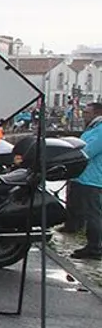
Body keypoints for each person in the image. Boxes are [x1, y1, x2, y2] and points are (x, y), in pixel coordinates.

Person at [72, 101, 102, 259]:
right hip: (85, 176)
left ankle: (95, 248)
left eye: (87, 113)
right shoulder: (94, 129)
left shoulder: (100, 130)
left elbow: (88, 150)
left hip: (93, 178)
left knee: (93, 214)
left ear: (97, 113)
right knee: (89, 212)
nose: (84, 115)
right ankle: (92, 245)